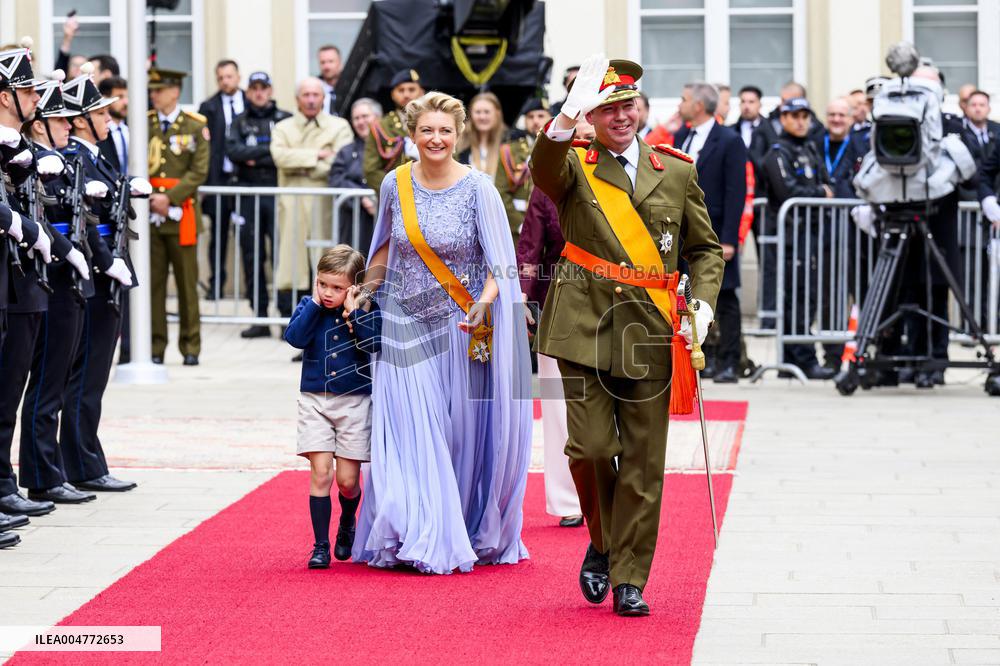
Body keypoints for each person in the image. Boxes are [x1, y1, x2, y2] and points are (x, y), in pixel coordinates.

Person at [530, 54, 723, 616]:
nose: (621, 115)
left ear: (641, 108)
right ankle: (605, 539)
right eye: (608, 106)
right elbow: (543, 169)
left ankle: (629, 578)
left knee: (642, 458)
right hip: (582, 323)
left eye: (628, 105)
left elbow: (705, 249)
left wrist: (703, 305)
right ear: (591, 113)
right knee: (589, 450)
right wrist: (565, 118)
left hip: (649, 325)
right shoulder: (573, 163)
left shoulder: (677, 170)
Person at [352, 91, 532, 574]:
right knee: (415, 431)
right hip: (402, 323)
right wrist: (363, 291)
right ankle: (417, 531)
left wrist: (484, 303)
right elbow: (385, 250)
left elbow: (502, 264)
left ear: (459, 135)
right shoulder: (394, 184)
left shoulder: (480, 188)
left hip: (461, 324)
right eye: (427, 130)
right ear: (412, 135)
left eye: (445, 131)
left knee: (456, 437)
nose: (436, 138)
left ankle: (457, 523)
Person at [56, 65, 140, 493]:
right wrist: (106, 262)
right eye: (101, 114)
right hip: (94, 273)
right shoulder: (75, 158)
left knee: (93, 377)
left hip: (107, 273)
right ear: (81, 119)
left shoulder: (94, 157)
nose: (110, 120)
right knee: (85, 377)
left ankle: (85, 459)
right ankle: (82, 465)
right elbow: (86, 222)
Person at [0, 53, 72, 520]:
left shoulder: (21, 147)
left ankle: (5, 482)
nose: (35, 101)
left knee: (12, 390)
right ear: (6, 97)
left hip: (21, 280)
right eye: (27, 92)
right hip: (14, 276)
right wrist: (28, 230)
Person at [515, 115, 595, 528]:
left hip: (612, 307)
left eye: (588, 138)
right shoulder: (546, 190)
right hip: (555, 305)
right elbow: (529, 249)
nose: (581, 146)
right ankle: (569, 501)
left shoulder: (621, 182)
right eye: (574, 140)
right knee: (559, 407)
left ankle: (605, 490)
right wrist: (522, 302)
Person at [284, 245, 381, 569]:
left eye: (337, 288)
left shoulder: (366, 308)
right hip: (315, 401)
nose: (328, 293)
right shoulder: (308, 306)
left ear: (352, 287)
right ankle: (320, 545)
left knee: (348, 482)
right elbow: (295, 338)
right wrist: (313, 303)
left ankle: (348, 521)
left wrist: (354, 310)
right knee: (321, 473)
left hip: (354, 403)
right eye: (323, 284)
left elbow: (373, 344)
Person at [673, 82, 748, 384]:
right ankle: (704, 356)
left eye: (684, 99)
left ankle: (731, 359)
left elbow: (736, 192)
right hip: (683, 233)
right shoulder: (682, 136)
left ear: (699, 106)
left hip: (716, 231)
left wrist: (729, 238)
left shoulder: (729, 140)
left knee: (725, 296)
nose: (680, 104)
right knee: (688, 294)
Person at [760, 97, 836, 380]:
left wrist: (819, 192)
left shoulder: (811, 149)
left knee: (809, 296)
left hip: (811, 234)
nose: (801, 121)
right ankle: (802, 357)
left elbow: (828, 184)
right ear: (783, 118)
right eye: (794, 116)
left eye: (805, 115)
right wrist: (818, 193)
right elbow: (788, 192)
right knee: (797, 297)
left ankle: (798, 356)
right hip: (791, 237)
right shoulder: (777, 153)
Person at [270, 77, 352, 321]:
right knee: (292, 263)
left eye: (316, 95)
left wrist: (303, 164)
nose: (311, 99)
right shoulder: (283, 127)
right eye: (306, 95)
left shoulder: (339, 126)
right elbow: (279, 157)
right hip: (292, 204)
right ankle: (293, 323)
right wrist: (317, 155)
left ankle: (326, 321)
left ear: (324, 98)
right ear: (297, 99)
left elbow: (338, 162)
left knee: (325, 263)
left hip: (323, 206)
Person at [147, 67, 209, 366]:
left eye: (159, 90)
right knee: (153, 285)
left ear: (175, 92)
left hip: (181, 213)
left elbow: (198, 170)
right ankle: (156, 345)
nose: (153, 95)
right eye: (152, 90)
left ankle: (190, 346)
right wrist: (150, 197)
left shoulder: (195, 126)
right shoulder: (146, 123)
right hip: (151, 215)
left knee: (187, 285)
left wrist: (169, 198)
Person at [225, 71, 292, 339]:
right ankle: (260, 316)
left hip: (278, 194)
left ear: (271, 90)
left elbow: (284, 155)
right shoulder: (239, 122)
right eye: (254, 88)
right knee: (252, 256)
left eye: (264, 88)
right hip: (248, 195)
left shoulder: (284, 119)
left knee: (283, 256)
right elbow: (234, 152)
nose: (259, 93)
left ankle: (288, 316)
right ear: (248, 91)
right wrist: (269, 154)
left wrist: (259, 157)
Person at [198, 59, 245, 299]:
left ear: (238, 76)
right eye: (221, 78)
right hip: (219, 180)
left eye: (229, 76)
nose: (225, 81)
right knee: (218, 235)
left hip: (245, 180)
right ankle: (216, 284)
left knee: (248, 236)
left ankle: (250, 287)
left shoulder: (250, 102)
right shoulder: (208, 107)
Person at [329, 97, 381, 255]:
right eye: (356, 118)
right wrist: (361, 197)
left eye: (365, 116)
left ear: (378, 118)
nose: (360, 122)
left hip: (382, 221)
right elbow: (336, 179)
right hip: (353, 221)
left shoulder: (392, 148)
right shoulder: (346, 151)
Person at [495, 96, 550, 245]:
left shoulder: (561, 148)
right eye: (530, 117)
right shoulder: (509, 150)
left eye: (541, 115)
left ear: (550, 117)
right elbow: (501, 192)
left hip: (552, 226)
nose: (536, 121)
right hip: (519, 225)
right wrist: (519, 224)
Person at [362, 69, 424, 195]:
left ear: (422, 92)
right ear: (392, 94)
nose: (406, 95)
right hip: (394, 198)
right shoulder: (381, 126)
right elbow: (371, 170)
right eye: (401, 90)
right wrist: (399, 190)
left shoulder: (436, 123)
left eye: (412, 89)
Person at [457, 92, 506, 177]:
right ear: (471, 114)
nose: (482, 117)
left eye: (487, 112)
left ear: (497, 113)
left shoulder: (511, 142)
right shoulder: (460, 141)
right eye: (478, 112)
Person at [317, 45, 342, 116]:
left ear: (340, 63)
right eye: (323, 62)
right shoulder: (315, 88)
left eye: (330, 61)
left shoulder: (352, 86)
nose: (326, 66)